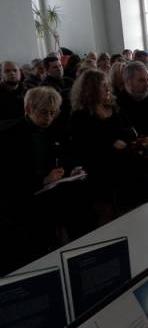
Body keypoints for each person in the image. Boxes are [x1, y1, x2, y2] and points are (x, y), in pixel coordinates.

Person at [0, 87, 97, 273]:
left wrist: (71, 171)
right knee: (42, 216)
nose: (49, 118)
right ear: (28, 108)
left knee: (83, 201)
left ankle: (84, 259)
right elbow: (8, 179)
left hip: (50, 188)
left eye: (53, 113)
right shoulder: (9, 136)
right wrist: (43, 180)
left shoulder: (54, 130)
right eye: (44, 112)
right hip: (23, 194)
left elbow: (64, 158)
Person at [70, 70, 148, 213]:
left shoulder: (113, 108)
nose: (108, 88)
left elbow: (132, 132)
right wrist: (111, 144)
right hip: (106, 165)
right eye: (103, 86)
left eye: (107, 85)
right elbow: (86, 149)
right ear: (91, 90)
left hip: (130, 156)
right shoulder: (80, 116)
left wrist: (120, 140)